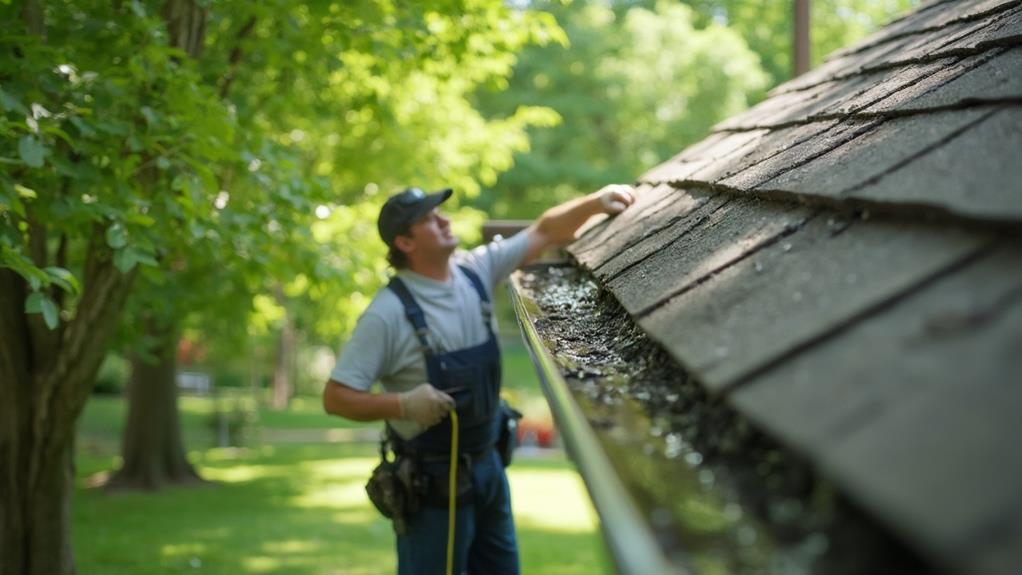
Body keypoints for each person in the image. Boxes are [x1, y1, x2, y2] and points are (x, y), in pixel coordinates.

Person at [322, 184, 635, 575]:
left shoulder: (474, 272)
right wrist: (401, 404)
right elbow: (336, 397)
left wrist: (594, 202)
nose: (445, 220)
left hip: (489, 467)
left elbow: (544, 230)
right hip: (431, 483)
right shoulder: (385, 315)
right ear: (404, 241)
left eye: (441, 213)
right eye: (429, 220)